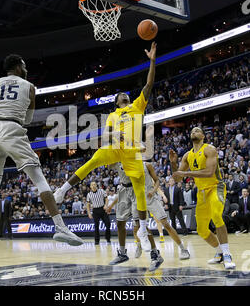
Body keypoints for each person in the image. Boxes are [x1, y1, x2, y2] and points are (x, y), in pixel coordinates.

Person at [0, 54, 84, 261]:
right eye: (24, 65)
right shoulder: (29, 86)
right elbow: (27, 119)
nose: (26, 67)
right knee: (39, 179)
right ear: (19, 67)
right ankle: (60, 228)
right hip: (11, 127)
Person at [54, 42, 157, 252]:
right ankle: (62, 190)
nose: (123, 95)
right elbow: (106, 133)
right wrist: (114, 133)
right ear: (117, 102)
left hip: (132, 151)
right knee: (93, 161)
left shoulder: (137, 106)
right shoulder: (112, 115)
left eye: (125, 94)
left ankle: (143, 232)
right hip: (116, 148)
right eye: (120, 95)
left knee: (139, 189)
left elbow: (148, 85)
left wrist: (152, 62)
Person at [170, 127, 236, 269]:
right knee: (201, 230)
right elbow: (177, 177)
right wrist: (173, 163)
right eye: (192, 131)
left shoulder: (209, 149)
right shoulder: (187, 155)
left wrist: (187, 173)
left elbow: (209, 172)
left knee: (217, 216)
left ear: (203, 136)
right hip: (201, 192)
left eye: (197, 130)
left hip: (215, 187)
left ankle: (227, 254)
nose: (194, 132)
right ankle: (218, 252)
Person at [106, 163, 164, 271]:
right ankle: (122, 253)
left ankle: (156, 255)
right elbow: (108, 166)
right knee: (120, 223)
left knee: (140, 225)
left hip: (136, 188)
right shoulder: (118, 157)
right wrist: (111, 205)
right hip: (123, 189)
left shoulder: (133, 153)